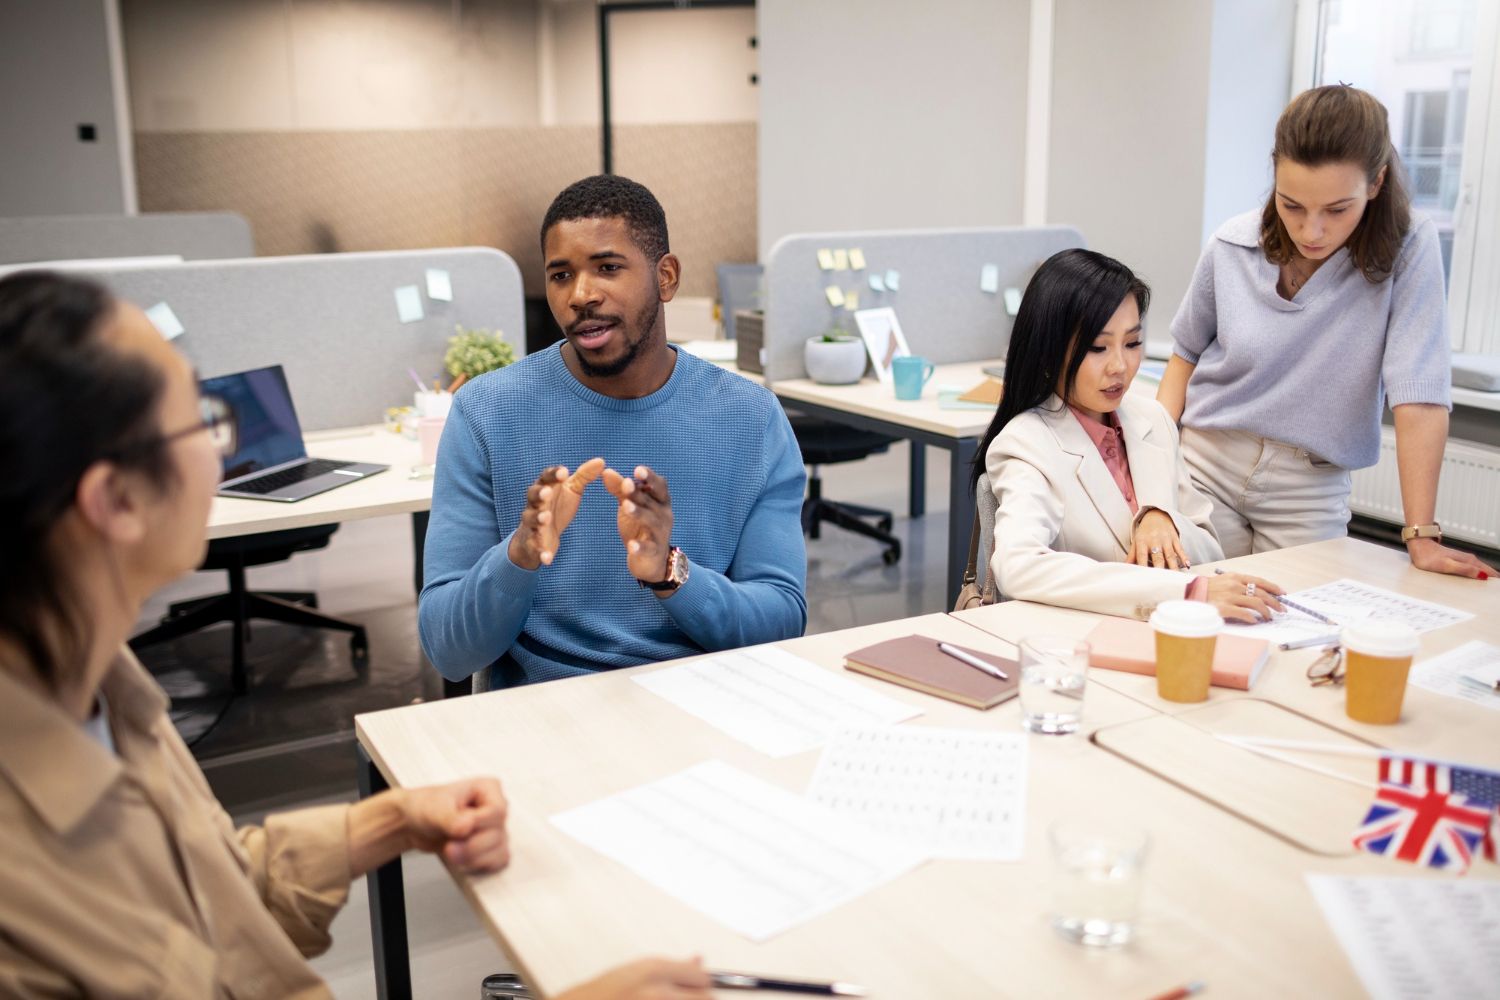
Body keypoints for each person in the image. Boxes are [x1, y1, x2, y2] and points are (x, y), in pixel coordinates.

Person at [0, 271, 712, 999]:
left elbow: (198, 893)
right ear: (116, 501)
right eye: (201, 420)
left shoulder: (99, 686)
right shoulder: (19, 906)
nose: (224, 452)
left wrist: (386, 823)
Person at [419, 175, 807, 687]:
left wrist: (670, 573)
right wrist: (518, 557)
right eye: (561, 275)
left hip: (702, 703)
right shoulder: (485, 412)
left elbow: (782, 624)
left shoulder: (751, 418)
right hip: (542, 715)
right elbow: (448, 651)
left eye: (607, 268)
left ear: (665, 277)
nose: (581, 295)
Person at [1158, 84, 1495, 580]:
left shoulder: (1409, 247)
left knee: (1301, 629)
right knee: (1189, 612)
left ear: (1376, 183)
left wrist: (1421, 534)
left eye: (1337, 210)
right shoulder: (1231, 243)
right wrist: (1150, 480)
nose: (1311, 231)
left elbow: (1419, 393)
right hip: (1205, 465)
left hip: (1309, 487)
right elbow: (1183, 358)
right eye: (1292, 205)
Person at [974, 249, 1284, 621]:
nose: (1120, 366)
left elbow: (1211, 550)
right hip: (1084, 639)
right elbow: (1019, 566)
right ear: (1048, 350)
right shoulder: (1025, 443)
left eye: (1133, 343)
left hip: (1174, 630)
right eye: (1097, 348)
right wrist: (1184, 592)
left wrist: (1160, 517)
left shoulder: (1151, 419)